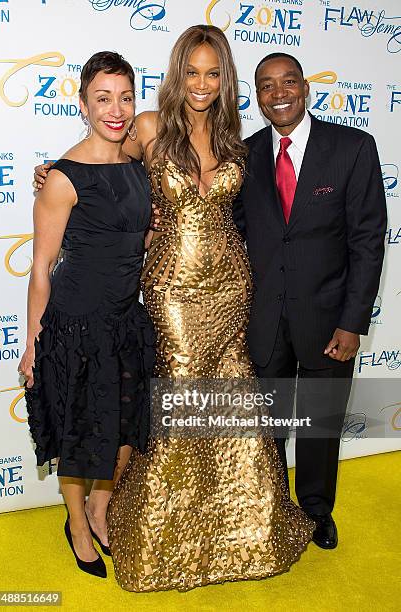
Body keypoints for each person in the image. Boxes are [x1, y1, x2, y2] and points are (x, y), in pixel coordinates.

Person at [107, 26, 314, 592]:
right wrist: (58, 175)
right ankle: (161, 540)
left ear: (226, 79)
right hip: (173, 287)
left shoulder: (234, 138)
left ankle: (242, 533)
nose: (201, 84)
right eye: (192, 72)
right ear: (178, 74)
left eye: (213, 73)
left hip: (230, 286)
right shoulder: (148, 128)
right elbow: (102, 169)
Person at [232, 52, 387, 549]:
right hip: (263, 319)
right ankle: (274, 509)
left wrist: (353, 322)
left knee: (321, 426)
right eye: (266, 85)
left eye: (288, 82)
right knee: (270, 427)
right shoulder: (245, 155)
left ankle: (317, 511)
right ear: (256, 96)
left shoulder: (352, 148)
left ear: (305, 87)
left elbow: (368, 241)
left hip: (327, 321)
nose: (279, 93)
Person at [19, 51, 155, 579]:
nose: (115, 110)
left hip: (126, 321)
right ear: (82, 104)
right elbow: (40, 268)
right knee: (78, 433)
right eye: (102, 98)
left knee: (122, 429)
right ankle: (76, 523)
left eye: (124, 97)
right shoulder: (62, 178)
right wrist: (34, 343)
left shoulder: (139, 161)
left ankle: (100, 509)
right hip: (74, 324)